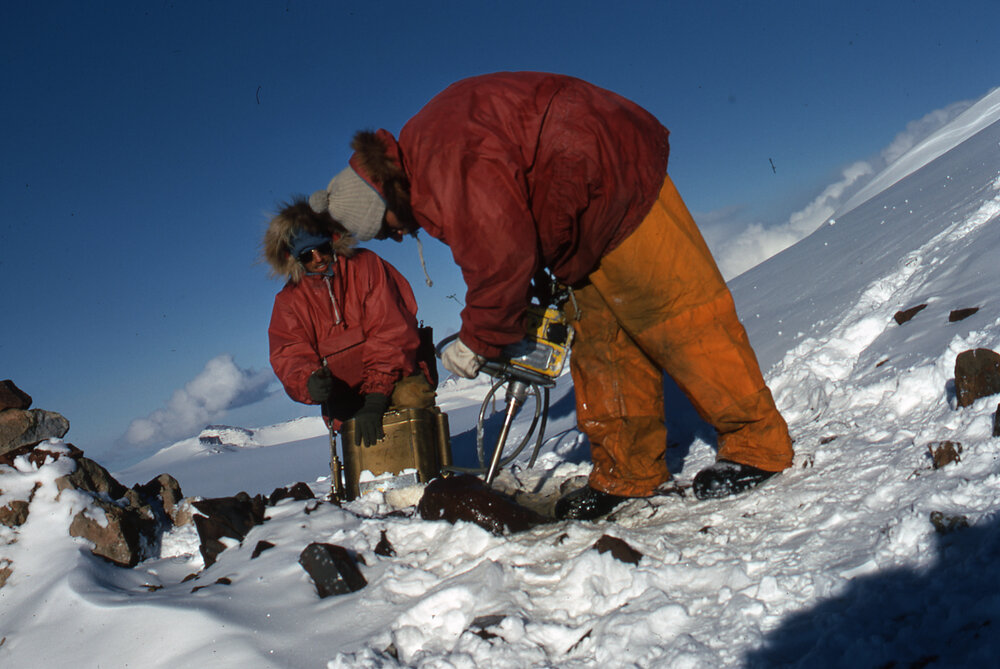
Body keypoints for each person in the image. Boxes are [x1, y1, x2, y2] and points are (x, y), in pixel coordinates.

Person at [307, 72, 794, 520]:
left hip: (610, 177)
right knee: (601, 345)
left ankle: (757, 445)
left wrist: (478, 341)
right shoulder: (425, 155)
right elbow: (513, 213)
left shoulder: (441, 162)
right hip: (577, 211)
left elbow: (498, 255)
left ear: (384, 199)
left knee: (676, 316)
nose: (394, 236)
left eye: (384, 228)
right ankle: (628, 474)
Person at [263, 197, 436, 447]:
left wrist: (376, 398)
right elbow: (289, 353)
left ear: (332, 240)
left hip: (396, 375)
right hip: (344, 395)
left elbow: (391, 330)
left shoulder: (365, 265)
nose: (318, 258)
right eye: (307, 255)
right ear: (294, 258)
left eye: (321, 248)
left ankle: (430, 470)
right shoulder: (289, 301)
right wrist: (309, 382)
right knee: (359, 438)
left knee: (413, 399)